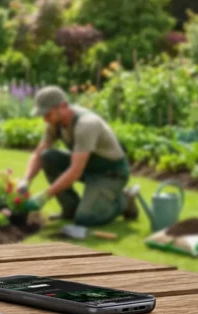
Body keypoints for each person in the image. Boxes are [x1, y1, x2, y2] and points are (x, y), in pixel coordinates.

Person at [20, 86, 138, 226]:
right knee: (48, 157)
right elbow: (39, 154)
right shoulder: (55, 123)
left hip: (110, 173)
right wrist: (25, 181)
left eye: (47, 114)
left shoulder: (86, 124)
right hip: (88, 167)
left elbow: (75, 171)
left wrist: (45, 196)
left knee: (86, 218)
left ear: (62, 106)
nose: (45, 119)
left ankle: (124, 200)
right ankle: (70, 209)